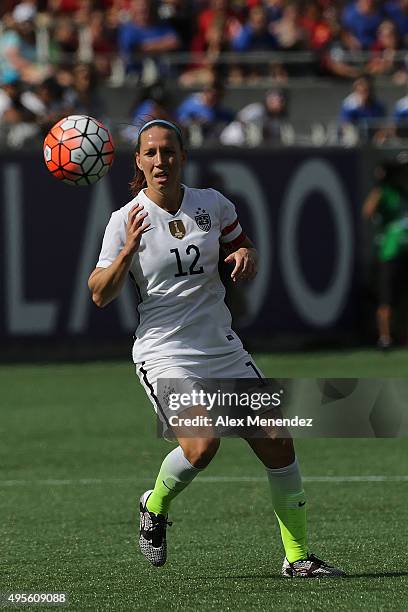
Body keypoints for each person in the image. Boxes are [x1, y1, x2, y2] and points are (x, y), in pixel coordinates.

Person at [88, 118, 345, 578]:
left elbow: (241, 248)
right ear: (139, 162)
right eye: (151, 153)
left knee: (278, 443)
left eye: (169, 151)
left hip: (221, 346)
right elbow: (99, 293)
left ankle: (298, 558)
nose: (160, 160)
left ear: (183, 156)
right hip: (164, 352)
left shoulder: (213, 205)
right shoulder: (122, 221)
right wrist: (127, 252)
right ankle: (155, 504)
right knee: (203, 445)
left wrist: (247, 255)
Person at [362, 159, 408, 348]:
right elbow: (368, 212)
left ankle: (402, 334)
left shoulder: (402, 193)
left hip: (404, 250)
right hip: (390, 252)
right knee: (386, 297)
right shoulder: (383, 192)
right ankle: (385, 337)